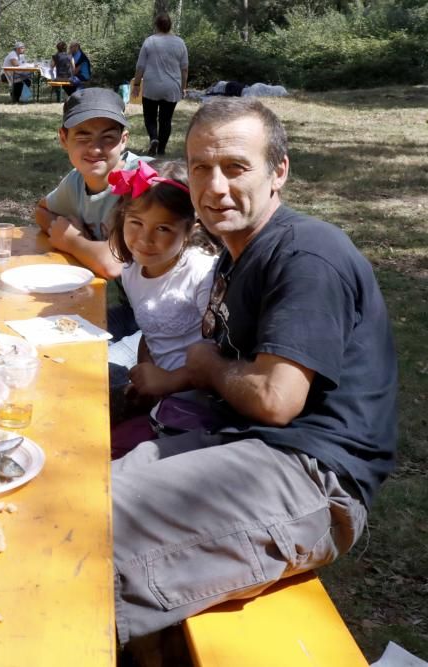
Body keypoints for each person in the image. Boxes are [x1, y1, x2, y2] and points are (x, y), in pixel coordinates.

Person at [112, 97, 397, 663]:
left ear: (279, 171)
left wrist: (204, 366)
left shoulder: (307, 256)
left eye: (235, 167)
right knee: (80, 485)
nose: (214, 186)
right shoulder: (235, 257)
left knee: (94, 529)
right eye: (199, 167)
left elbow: (274, 399)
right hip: (243, 446)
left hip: (313, 476)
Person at [104, 161, 218, 437]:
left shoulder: (202, 274)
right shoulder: (132, 271)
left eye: (163, 228)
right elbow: (151, 331)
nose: (145, 239)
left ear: (191, 228)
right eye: (136, 223)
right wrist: (146, 372)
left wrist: (168, 382)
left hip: (199, 399)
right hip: (159, 388)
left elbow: (221, 353)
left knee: (111, 445)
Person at [34, 87, 146, 283]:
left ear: (123, 140)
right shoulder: (76, 180)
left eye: (108, 137)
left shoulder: (142, 179)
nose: (95, 149)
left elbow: (111, 265)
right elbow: (41, 211)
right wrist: (71, 229)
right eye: (83, 137)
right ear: (63, 138)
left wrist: (72, 240)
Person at [132, 13, 188, 157]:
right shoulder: (180, 42)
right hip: (172, 86)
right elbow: (184, 68)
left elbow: (140, 67)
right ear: (170, 26)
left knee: (149, 116)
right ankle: (161, 150)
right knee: (166, 119)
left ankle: (154, 138)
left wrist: (137, 84)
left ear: (156, 25)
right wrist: (183, 87)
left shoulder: (149, 41)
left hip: (152, 86)